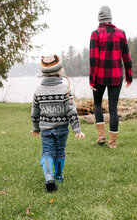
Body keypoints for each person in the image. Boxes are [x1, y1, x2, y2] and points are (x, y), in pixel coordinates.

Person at [30, 55, 85, 192]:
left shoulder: (38, 90)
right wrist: (77, 129)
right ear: (60, 71)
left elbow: (35, 111)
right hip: (61, 129)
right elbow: (71, 111)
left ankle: (49, 176)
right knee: (60, 151)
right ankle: (58, 175)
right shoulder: (65, 89)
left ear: (43, 73)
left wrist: (35, 128)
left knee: (47, 152)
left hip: (45, 130)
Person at [89, 6, 133, 149]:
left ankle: (101, 135)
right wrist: (129, 76)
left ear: (99, 19)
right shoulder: (121, 34)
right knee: (113, 108)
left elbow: (93, 59)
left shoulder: (95, 34)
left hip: (100, 76)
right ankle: (112, 143)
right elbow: (126, 56)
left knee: (97, 104)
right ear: (110, 18)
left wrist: (92, 79)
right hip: (116, 76)